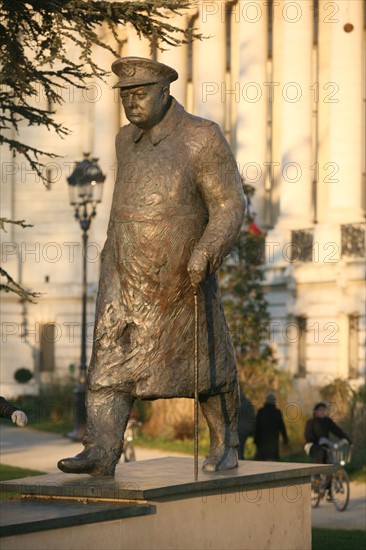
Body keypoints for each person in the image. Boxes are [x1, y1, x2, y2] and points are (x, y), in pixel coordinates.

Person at [58, 57, 246, 477]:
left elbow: (230, 206)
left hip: (179, 272)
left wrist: (207, 251)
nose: (131, 103)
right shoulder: (125, 141)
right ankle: (102, 447)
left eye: (140, 94)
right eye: (125, 95)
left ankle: (226, 441)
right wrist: (111, 260)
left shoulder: (202, 137)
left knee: (204, 364)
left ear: (165, 92)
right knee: (108, 362)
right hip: (123, 272)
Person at [254, 392, 288, 461]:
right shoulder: (277, 412)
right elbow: (282, 426)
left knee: (262, 461)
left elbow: (257, 426)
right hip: (273, 440)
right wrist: (285, 438)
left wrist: (255, 439)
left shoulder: (261, 411)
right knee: (272, 460)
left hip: (262, 441)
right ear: (274, 401)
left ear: (266, 400)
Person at [237, 390, 255, 460]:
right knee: (241, 445)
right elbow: (252, 417)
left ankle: (240, 459)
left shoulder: (235, 403)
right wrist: (252, 428)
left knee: (239, 446)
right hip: (246, 429)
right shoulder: (248, 403)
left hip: (238, 429)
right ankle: (241, 458)